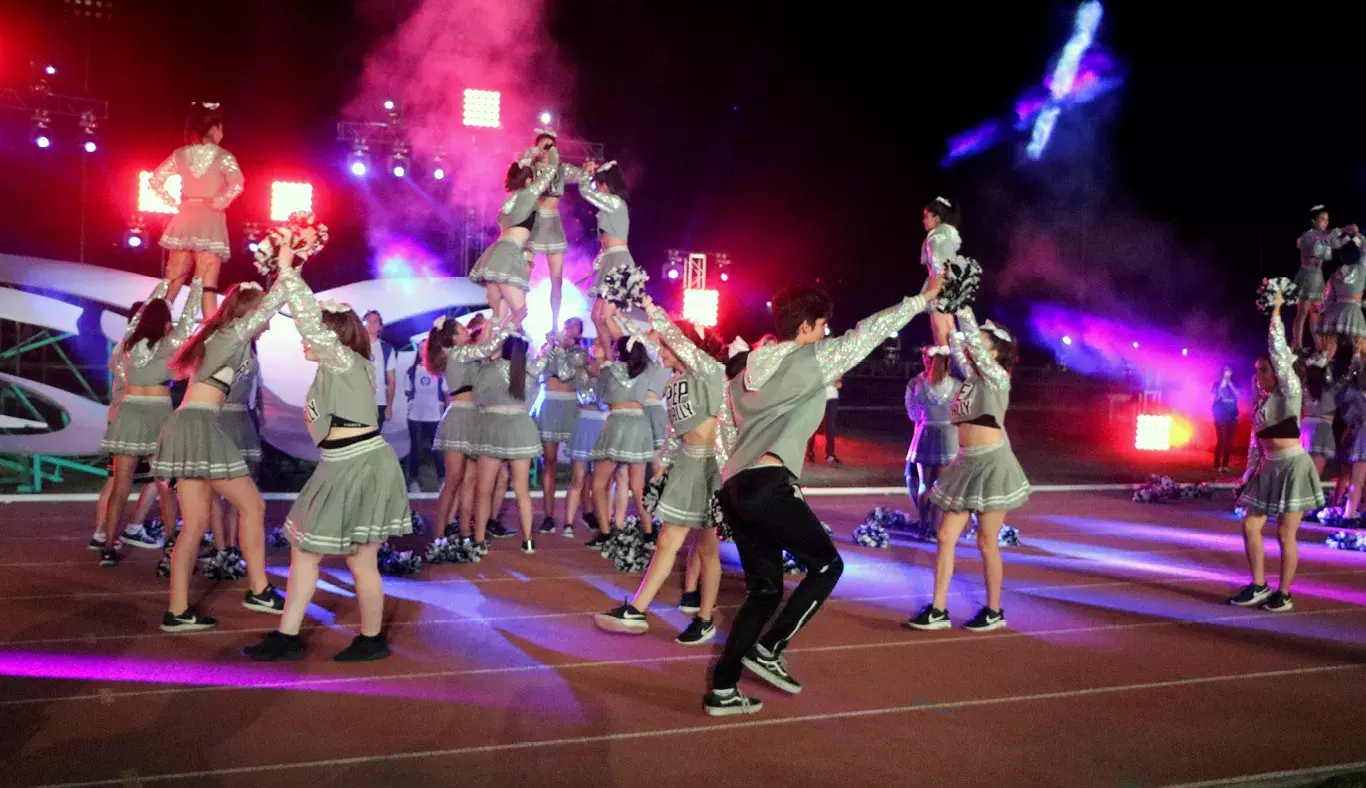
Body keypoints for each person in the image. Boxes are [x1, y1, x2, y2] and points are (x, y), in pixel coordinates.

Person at [704, 280, 938, 717]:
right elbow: (870, 332)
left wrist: (725, 493)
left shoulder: (738, 378)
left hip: (736, 487)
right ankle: (770, 647)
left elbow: (723, 438)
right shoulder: (810, 358)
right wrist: (922, 300)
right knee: (828, 565)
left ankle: (723, 687)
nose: (829, 334)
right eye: (824, 326)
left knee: (765, 590)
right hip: (769, 483)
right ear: (808, 326)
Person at [243, 239, 411, 661]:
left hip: (361, 464)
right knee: (308, 550)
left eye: (316, 331)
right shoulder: (331, 371)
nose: (305, 337)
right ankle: (289, 635)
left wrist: (287, 268)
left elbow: (307, 322)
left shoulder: (347, 363)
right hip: (338, 464)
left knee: (358, 559)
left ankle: (368, 639)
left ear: (332, 336)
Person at [154, 279, 286, 632]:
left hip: (188, 422)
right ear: (248, 312)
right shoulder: (230, 335)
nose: (269, 322)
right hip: (199, 423)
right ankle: (259, 590)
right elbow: (271, 306)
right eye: (262, 315)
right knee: (252, 506)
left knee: (195, 524)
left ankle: (177, 611)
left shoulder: (221, 336)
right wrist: (289, 266)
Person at [596, 299, 727, 645]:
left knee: (708, 550)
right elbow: (674, 431)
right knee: (669, 540)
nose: (661, 355)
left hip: (714, 468)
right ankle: (637, 609)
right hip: (686, 465)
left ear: (678, 343)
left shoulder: (708, 370)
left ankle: (704, 617)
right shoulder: (672, 383)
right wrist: (664, 466)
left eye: (664, 346)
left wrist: (649, 306)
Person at [905, 308, 1030, 633]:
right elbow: (953, 340)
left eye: (981, 342)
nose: (973, 345)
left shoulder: (997, 377)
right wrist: (942, 303)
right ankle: (938, 609)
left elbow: (968, 340)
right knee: (945, 536)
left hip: (992, 463)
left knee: (987, 542)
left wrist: (964, 308)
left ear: (993, 352)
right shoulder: (971, 378)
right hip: (964, 462)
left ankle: (993, 610)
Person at [1231, 292, 1323, 612]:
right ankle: (1258, 585)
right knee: (1251, 525)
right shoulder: (1261, 403)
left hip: (1293, 467)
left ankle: (1284, 593)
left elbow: (1280, 354)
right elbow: (1255, 446)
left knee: (1286, 534)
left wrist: (1277, 312)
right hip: (1268, 468)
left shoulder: (1289, 391)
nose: (1259, 375)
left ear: (1279, 373)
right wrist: (1246, 476)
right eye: (1257, 370)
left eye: (1264, 370)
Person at [95, 290, 196, 565]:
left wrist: (165, 289)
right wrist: (198, 282)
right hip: (158, 414)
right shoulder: (169, 343)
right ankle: (171, 548)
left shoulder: (128, 343)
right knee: (165, 486)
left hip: (129, 412)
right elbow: (189, 319)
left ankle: (108, 547)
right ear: (165, 322)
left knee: (121, 486)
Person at [149, 103, 244, 319]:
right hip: (210, 219)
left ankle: (149, 331)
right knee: (206, 285)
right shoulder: (224, 156)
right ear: (213, 128)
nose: (223, 133)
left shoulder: (180, 154)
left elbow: (156, 180)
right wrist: (220, 202)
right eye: (221, 127)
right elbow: (237, 184)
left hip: (185, 217)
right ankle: (209, 340)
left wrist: (175, 202)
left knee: (171, 283)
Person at [428, 314, 508, 540]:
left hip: (474, 417)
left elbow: (484, 348)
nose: (466, 332)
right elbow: (486, 347)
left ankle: (464, 533)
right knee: (453, 479)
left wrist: (493, 323)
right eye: (462, 329)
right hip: (460, 416)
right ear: (453, 337)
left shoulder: (465, 355)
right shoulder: (458, 353)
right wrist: (508, 324)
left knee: (470, 480)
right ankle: (438, 534)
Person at [471, 330, 546, 555]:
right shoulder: (530, 372)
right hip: (521, 427)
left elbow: (478, 399)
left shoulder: (486, 369)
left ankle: (479, 540)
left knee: (484, 490)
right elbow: (532, 399)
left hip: (493, 426)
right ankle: (529, 541)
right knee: (522, 490)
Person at [586, 334, 657, 549]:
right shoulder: (648, 370)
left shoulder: (608, 370)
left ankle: (606, 533)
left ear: (620, 352)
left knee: (598, 484)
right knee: (637, 486)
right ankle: (648, 533)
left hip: (617, 424)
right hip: (639, 424)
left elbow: (600, 398)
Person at [468, 160, 557, 324]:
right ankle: (493, 347)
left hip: (496, 252)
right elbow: (551, 171)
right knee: (520, 312)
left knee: (498, 315)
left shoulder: (509, 203)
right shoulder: (528, 193)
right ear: (530, 181)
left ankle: (491, 344)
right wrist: (551, 151)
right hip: (509, 252)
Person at [564, 160, 632, 350]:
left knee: (606, 316)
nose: (597, 189)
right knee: (596, 316)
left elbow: (586, 192)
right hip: (609, 260)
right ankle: (609, 360)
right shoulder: (609, 206)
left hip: (619, 262)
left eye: (598, 185)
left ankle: (630, 356)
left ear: (606, 184)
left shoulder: (615, 202)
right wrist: (595, 266)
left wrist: (584, 175)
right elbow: (606, 242)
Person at [537, 318, 588, 535]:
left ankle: (587, 511)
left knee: (581, 462)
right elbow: (537, 367)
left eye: (574, 327)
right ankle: (548, 516)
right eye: (567, 326)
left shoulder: (581, 355)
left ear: (579, 333)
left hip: (571, 408)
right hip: (550, 405)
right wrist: (551, 346)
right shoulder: (548, 349)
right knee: (549, 462)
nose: (569, 330)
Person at [906, 346, 959, 530]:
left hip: (925, 435)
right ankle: (934, 527)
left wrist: (926, 415)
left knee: (923, 485)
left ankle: (923, 524)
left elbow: (912, 414)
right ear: (948, 362)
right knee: (939, 487)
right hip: (948, 436)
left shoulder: (918, 384)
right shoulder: (957, 385)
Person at [522, 131, 571, 329]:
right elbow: (520, 162)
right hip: (534, 222)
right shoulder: (529, 168)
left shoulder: (560, 170)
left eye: (552, 146)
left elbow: (583, 175)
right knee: (523, 274)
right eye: (545, 146)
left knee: (557, 280)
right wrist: (534, 152)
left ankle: (555, 325)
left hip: (553, 226)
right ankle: (519, 320)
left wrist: (588, 170)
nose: (548, 150)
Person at [1293, 206, 1356, 350]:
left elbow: (1336, 243)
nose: (1326, 222)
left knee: (1315, 314)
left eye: (1327, 220)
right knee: (1303, 311)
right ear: (1313, 221)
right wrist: (1342, 230)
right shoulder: (1308, 235)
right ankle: (1298, 345)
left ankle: (1319, 346)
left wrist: (1351, 237)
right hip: (1307, 275)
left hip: (1318, 277)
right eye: (1322, 219)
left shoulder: (1324, 237)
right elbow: (1327, 236)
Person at [564, 342, 608, 539]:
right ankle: (568, 523)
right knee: (578, 478)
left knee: (601, 480)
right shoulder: (580, 367)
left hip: (602, 424)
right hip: (583, 422)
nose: (596, 345)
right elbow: (567, 365)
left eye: (601, 342)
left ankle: (605, 523)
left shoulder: (612, 369)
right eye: (595, 343)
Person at [1314, 233, 1366, 361]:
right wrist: (1359, 235)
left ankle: (1321, 373)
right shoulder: (1361, 270)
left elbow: (1327, 298)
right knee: (1361, 347)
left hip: (1335, 312)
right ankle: (1361, 374)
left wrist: (1319, 309)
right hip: (1353, 312)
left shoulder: (1335, 275)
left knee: (1328, 350)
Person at [405, 339, 447, 493]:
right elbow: (407, 391)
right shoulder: (412, 370)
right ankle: (414, 480)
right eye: (421, 348)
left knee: (438, 450)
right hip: (415, 417)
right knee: (415, 449)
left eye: (426, 348)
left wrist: (446, 411)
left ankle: (442, 480)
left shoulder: (439, 370)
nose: (424, 351)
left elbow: (446, 393)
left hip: (435, 416)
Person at [921, 196, 962, 347]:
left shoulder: (936, 237)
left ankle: (942, 364)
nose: (923, 220)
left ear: (936, 218)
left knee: (941, 333)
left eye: (926, 216)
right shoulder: (943, 236)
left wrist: (930, 293)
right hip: (946, 287)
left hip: (939, 288)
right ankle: (945, 362)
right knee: (948, 329)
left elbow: (939, 268)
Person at [363, 310, 398, 430]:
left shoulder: (386, 349)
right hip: (356, 402)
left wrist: (389, 406)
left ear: (380, 326)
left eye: (375, 321)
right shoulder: (354, 346)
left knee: (373, 442)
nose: (372, 323)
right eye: (369, 321)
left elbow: (392, 380)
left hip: (379, 403)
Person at [805, 377, 842, 464]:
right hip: (818, 396)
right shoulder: (817, 363)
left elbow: (839, 383)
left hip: (833, 398)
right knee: (814, 424)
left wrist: (838, 382)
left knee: (831, 426)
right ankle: (809, 452)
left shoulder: (836, 364)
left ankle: (830, 454)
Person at [1212, 365, 1240, 474]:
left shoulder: (1234, 384)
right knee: (1221, 439)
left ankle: (1225, 465)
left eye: (1229, 371)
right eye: (1225, 371)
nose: (1227, 373)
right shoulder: (1217, 384)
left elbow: (1238, 394)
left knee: (1229, 441)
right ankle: (1216, 465)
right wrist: (1223, 383)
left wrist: (1229, 383)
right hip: (1220, 415)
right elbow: (1216, 395)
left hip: (1232, 415)